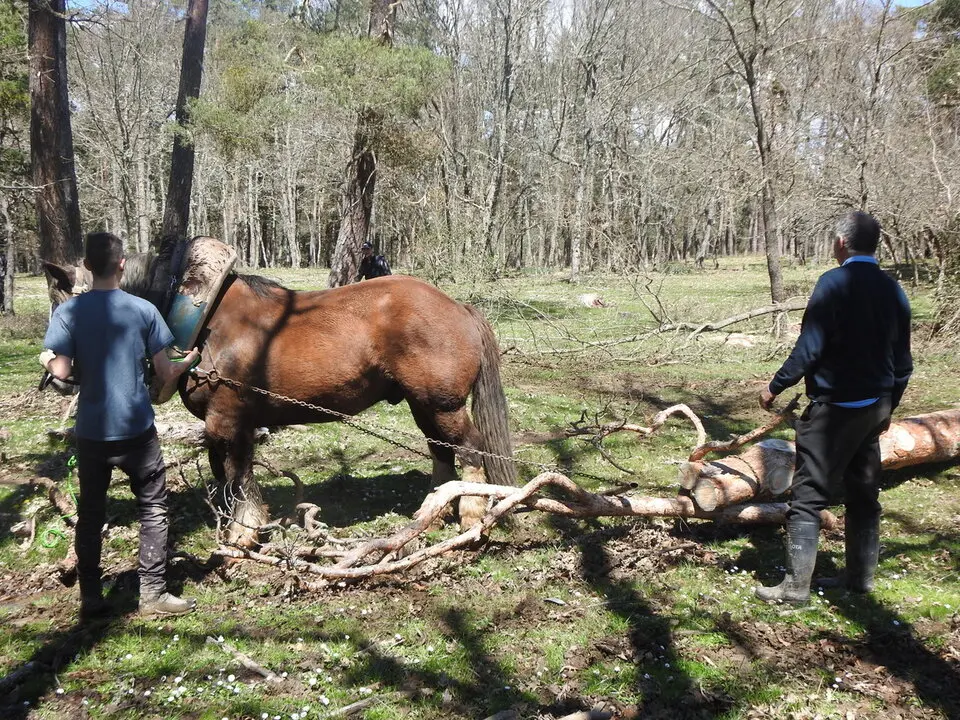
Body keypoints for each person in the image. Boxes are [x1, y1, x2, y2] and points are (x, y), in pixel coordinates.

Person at [41, 231, 201, 621]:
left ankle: (91, 597)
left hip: (92, 432)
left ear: (88, 266)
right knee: (152, 509)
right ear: (123, 264)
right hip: (137, 432)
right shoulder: (144, 311)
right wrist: (189, 361)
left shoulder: (68, 313)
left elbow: (61, 371)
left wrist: (46, 359)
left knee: (92, 514)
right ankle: (152, 595)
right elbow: (164, 375)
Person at [755, 210, 912, 606]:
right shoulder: (893, 289)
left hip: (836, 408)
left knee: (807, 497)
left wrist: (774, 386)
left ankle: (794, 591)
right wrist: (888, 406)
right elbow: (904, 362)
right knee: (863, 493)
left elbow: (810, 348)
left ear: (841, 243)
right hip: (875, 405)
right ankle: (861, 581)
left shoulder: (833, 283)